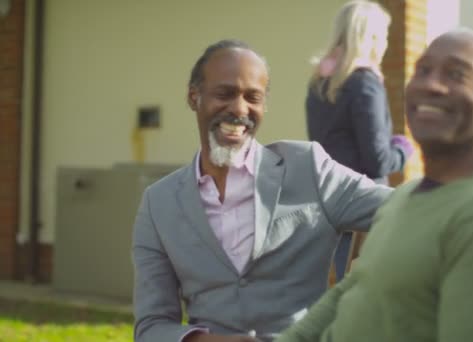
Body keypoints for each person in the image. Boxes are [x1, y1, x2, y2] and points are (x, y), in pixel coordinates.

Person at [276, 28, 473, 342]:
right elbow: (350, 291)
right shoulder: (405, 196)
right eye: (423, 70)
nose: (431, 84)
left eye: (456, 74)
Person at [131, 40, 392, 342]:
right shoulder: (158, 203)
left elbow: (405, 209)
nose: (239, 109)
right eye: (224, 94)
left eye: (252, 97)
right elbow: (151, 328)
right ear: (194, 97)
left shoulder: (309, 168)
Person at [306, 0, 413, 280]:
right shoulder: (365, 83)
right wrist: (403, 148)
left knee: (333, 291)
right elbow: (378, 161)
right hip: (363, 211)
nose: (386, 43)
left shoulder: (319, 82)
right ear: (372, 38)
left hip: (328, 205)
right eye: (384, 35)